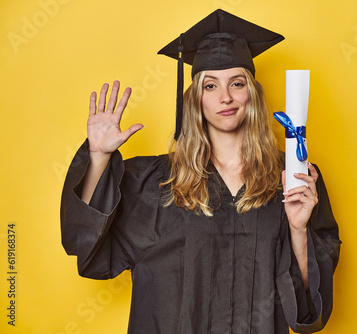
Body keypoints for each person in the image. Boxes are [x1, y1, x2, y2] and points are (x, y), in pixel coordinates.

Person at [61, 9, 340, 334]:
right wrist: (98, 157)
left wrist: (297, 229)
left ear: (252, 93)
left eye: (237, 83)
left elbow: (306, 307)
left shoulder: (291, 177)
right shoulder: (155, 181)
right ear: (195, 99)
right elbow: (90, 248)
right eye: (210, 86)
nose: (225, 97)